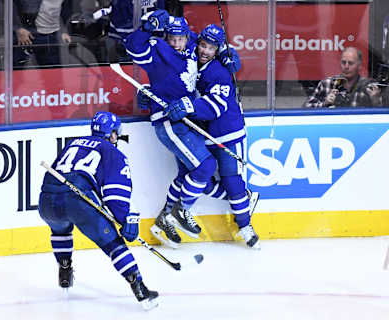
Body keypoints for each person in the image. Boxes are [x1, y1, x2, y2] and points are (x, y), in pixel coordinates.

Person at [152, 24, 260, 249]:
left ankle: (245, 226)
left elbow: (215, 106)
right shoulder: (191, 50)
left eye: (211, 48)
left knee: (232, 181)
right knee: (195, 174)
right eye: (203, 44)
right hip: (202, 131)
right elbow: (181, 37)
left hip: (229, 133)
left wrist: (188, 105)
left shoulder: (219, 71)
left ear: (217, 49)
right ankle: (168, 215)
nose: (205, 51)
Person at [38, 111, 159, 310]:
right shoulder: (113, 153)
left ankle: (65, 269)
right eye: (115, 132)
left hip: (46, 201)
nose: (117, 136)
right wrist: (126, 219)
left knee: (60, 229)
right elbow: (114, 194)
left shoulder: (73, 143)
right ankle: (140, 289)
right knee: (112, 243)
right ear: (111, 134)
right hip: (78, 202)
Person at [125, 11, 217, 247]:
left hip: (187, 121)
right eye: (172, 38)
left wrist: (229, 54)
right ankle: (180, 211)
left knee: (186, 174)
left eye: (180, 38)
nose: (176, 43)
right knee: (206, 166)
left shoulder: (193, 45)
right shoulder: (158, 49)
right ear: (166, 37)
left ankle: (164, 220)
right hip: (168, 121)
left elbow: (213, 45)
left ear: (187, 36)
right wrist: (146, 29)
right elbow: (133, 47)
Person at [303, 47, 382, 108]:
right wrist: (325, 103)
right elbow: (306, 108)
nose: (346, 66)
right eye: (343, 62)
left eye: (350, 63)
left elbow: (382, 118)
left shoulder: (369, 87)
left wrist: (376, 101)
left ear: (359, 66)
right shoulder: (327, 83)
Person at [13, 0, 72, 67]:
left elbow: (66, 11)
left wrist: (65, 31)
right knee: (16, 71)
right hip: (26, 34)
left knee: (52, 72)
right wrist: (18, 28)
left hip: (51, 35)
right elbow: (10, 5)